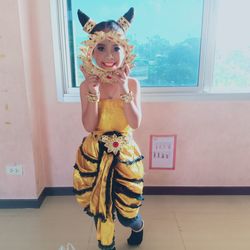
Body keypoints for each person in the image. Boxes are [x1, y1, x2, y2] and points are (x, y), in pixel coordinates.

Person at [73, 7, 144, 250]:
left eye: (115, 47)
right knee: (101, 211)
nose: (108, 55)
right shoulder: (87, 85)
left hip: (125, 155)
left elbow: (135, 123)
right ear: (91, 51)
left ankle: (137, 225)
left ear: (125, 50)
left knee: (127, 213)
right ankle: (107, 245)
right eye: (100, 47)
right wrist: (92, 94)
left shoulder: (133, 83)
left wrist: (124, 90)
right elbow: (89, 125)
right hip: (95, 155)